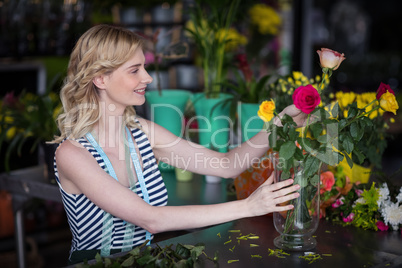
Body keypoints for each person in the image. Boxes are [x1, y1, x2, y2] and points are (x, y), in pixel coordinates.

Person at [52, 24, 306, 264]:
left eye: (144, 67)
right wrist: (248, 206)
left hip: (143, 261)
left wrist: (280, 121)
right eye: (134, 70)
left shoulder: (143, 133)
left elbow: (226, 165)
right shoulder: (72, 153)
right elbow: (151, 219)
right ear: (100, 79)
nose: (148, 78)